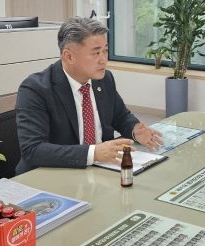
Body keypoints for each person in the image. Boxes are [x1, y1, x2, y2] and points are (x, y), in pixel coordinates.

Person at [15, 17, 163, 174]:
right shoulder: (35, 89)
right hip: (51, 174)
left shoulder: (104, 79)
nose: (103, 60)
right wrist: (93, 153)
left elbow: (120, 116)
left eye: (105, 50)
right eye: (96, 53)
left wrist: (135, 130)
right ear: (69, 56)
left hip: (99, 170)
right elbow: (33, 149)